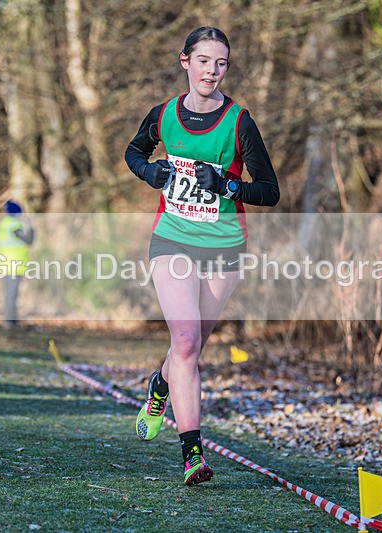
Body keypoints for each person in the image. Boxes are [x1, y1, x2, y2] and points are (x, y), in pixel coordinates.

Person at [125, 26, 280, 486]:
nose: (213, 70)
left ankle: (159, 386)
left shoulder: (239, 122)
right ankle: (193, 455)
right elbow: (134, 152)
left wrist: (229, 185)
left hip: (225, 248)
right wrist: (151, 172)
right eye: (205, 60)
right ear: (185, 61)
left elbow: (269, 191)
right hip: (172, 238)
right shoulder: (163, 115)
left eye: (222, 63)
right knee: (188, 342)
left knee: (189, 347)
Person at [0, 200, 34, 330]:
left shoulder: (4, 223)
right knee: (11, 295)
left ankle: (11, 320)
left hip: (6, 264)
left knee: (10, 294)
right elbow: (28, 240)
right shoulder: (14, 225)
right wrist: (30, 227)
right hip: (13, 265)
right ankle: (9, 322)